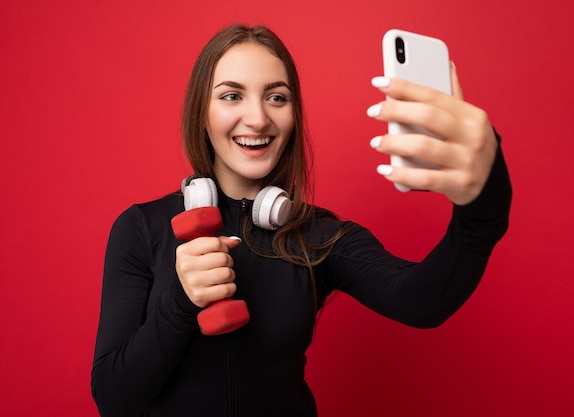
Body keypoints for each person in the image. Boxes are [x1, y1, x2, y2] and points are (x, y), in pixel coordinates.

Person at [91, 24, 511, 417]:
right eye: (231, 96)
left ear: (293, 115)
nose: (258, 118)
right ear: (201, 113)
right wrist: (181, 300)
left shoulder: (320, 237)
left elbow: (423, 302)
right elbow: (113, 398)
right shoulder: (141, 228)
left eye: (276, 97)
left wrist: (481, 208)